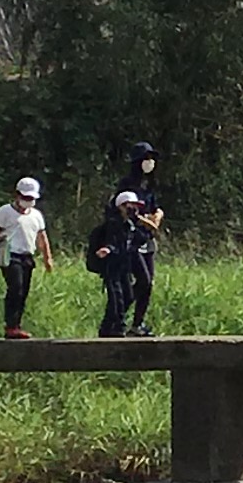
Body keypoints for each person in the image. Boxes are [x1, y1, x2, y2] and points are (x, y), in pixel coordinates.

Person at [116, 141, 164, 337]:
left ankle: (137, 324)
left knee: (148, 283)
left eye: (152, 158)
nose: (150, 162)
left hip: (147, 240)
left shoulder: (149, 185)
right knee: (141, 280)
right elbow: (125, 211)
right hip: (131, 240)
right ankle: (117, 317)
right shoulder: (127, 185)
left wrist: (157, 217)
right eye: (146, 158)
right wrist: (147, 222)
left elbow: (156, 208)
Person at [0, 176, 50, 338]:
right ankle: (10, 324)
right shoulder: (5, 211)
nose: (28, 201)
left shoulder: (36, 215)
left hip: (27, 256)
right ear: (17, 195)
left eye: (31, 198)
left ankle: (16, 324)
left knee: (23, 291)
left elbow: (42, 237)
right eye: (25, 197)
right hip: (10, 255)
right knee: (15, 288)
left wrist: (47, 257)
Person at [84, 188, 142, 337]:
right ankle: (117, 327)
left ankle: (107, 327)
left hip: (123, 267)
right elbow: (112, 241)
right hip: (112, 267)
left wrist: (139, 222)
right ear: (120, 206)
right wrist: (108, 249)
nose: (133, 209)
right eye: (129, 206)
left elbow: (141, 239)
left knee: (128, 295)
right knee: (117, 298)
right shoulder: (112, 224)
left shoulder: (130, 225)